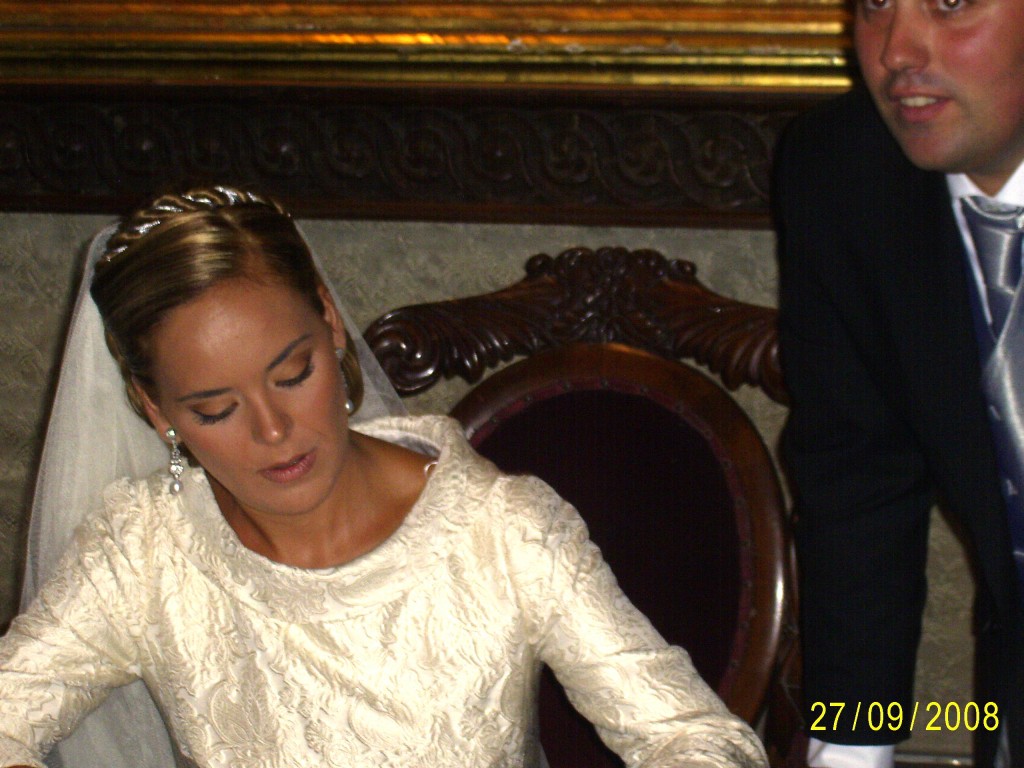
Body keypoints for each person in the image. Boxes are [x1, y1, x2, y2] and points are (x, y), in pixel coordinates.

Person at [0, 186, 767, 768]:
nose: (273, 430)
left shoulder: (500, 532)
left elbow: (697, 741)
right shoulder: (143, 552)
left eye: (292, 374)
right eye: (215, 409)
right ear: (155, 410)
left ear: (330, 325)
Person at [773, 0, 1024, 764]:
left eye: (950, 1)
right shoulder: (844, 170)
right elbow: (859, 477)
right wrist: (852, 747)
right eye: (876, 3)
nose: (896, 52)